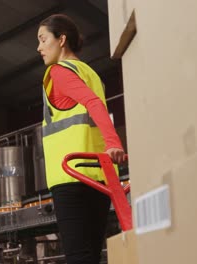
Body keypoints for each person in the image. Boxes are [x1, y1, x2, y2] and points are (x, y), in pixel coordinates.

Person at [37, 14, 126, 264]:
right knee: (90, 257)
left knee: (79, 257)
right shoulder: (89, 73)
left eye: (43, 40)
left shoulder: (59, 72)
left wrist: (113, 142)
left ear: (61, 40)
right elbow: (94, 105)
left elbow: (92, 103)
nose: (39, 47)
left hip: (70, 177)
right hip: (98, 176)